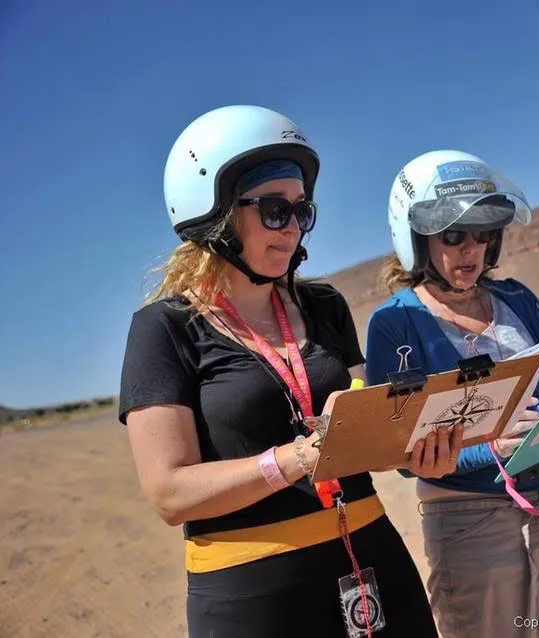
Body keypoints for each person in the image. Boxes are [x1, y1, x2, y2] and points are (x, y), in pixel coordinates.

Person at [118, 105, 461, 637]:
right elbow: (169, 492)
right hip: (250, 589)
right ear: (216, 213)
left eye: (303, 211)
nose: (294, 228)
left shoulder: (324, 304)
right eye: (275, 210)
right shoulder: (164, 328)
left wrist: (420, 449)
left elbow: (368, 428)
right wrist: (296, 459)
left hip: (371, 558)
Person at [364, 150, 539, 638]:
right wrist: (492, 448)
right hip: (469, 523)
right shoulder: (396, 322)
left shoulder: (518, 299)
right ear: (416, 238)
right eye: (453, 235)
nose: (471, 249)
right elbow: (404, 452)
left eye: (484, 234)